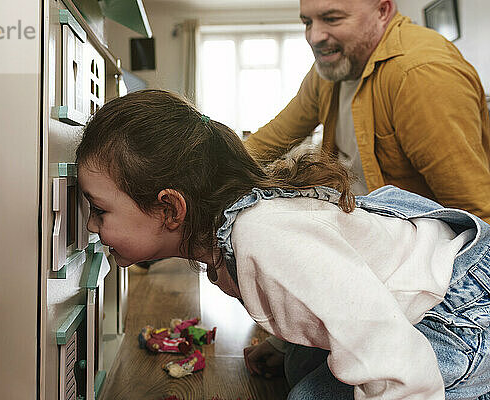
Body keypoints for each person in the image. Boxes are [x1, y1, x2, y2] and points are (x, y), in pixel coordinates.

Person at [75, 89, 490, 399]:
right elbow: (332, 289)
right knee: (297, 358)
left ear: (170, 208)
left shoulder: (263, 240)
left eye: (100, 210)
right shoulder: (227, 236)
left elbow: (389, 350)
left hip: (460, 314)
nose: (91, 225)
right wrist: (281, 338)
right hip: (414, 294)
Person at [245, 0, 490, 223]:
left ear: (383, 11)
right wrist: (212, 159)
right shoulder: (330, 70)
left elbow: (475, 214)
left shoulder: (420, 74)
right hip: (360, 228)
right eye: (307, 22)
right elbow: (273, 138)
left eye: (332, 19)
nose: (314, 36)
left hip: (417, 252)